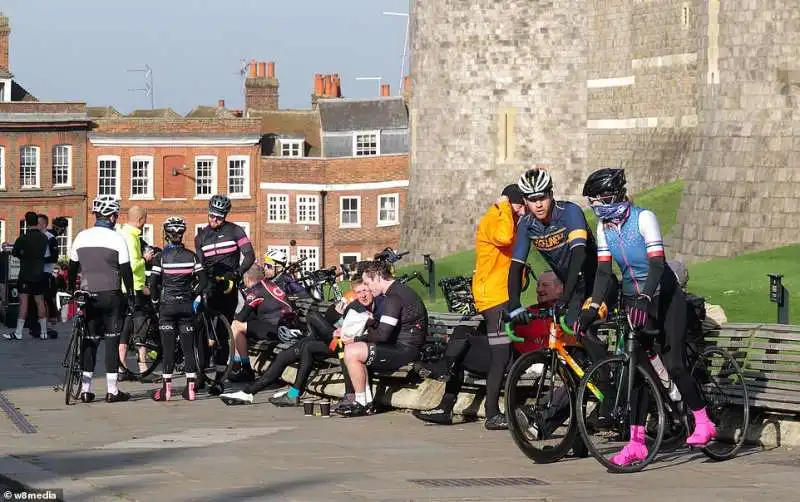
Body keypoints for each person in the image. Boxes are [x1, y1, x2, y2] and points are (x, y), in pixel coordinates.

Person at [577, 168, 717, 466]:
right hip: (634, 301)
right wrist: (590, 309)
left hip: (664, 298)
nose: (596, 207)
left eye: (598, 200)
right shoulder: (604, 229)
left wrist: (645, 296)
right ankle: (636, 443)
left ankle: (704, 422)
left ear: (613, 195)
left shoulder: (643, 218)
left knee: (675, 365)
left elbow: (657, 264)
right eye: (593, 202)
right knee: (637, 372)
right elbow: (604, 273)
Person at [508, 168, 614, 411]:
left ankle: (609, 392)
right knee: (571, 355)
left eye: (542, 197)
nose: (538, 205)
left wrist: (564, 299)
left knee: (581, 328)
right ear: (525, 200)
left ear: (551, 194)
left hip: (597, 283)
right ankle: (574, 419)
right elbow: (516, 267)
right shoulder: (526, 224)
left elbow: (579, 254)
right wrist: (513, 303)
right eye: (532, 199)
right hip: (573, 290)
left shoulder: (570, 213)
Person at [414, 270, 563, 425]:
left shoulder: (559, 315)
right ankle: (446, 396)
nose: (539, 289)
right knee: (460, 343)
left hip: (517, 359)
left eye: (545, 285)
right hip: (501, 354)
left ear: (560, 289)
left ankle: (446, 395)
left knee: (459, 346)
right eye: (538, 285)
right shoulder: (528, 311)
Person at [219, 279, 385, 406]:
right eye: (358, 292)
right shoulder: (352, 303)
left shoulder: (378, 306)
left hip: (347, 346)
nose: (363, 295)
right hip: (333, 342)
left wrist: (369, 323)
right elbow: (330, 317)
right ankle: (255, 393)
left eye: (366, 290)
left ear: (372, 290)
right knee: (292, 352)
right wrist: (338, 308)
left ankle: (285, 394)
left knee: (312, 317)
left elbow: (378, 331)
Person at [338, 260, 428, 417]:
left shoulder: (394, 297)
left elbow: (383, 335)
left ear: (377, 277)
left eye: (368, 282)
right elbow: (387, 329)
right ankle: (366, 402)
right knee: (353, 350)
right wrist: (372, 322)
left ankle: (361, 402)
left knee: (352, 351)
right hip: (404, 346)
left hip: (405, 350)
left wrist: (357, 338)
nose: (368, 288)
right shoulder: (399, 291)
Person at [67, 196, 134, 403]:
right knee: (112, 341)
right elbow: (126, 271)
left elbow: (71, 268)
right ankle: (112, 390)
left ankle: (86, 390)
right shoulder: (117, 238)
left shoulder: (81, 237)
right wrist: (130, 295)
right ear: (112, 217)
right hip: (111, 295)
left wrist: (71, 289)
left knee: (90, 341)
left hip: (88, 296)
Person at [194, 195, 256, 395]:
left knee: (222, 333)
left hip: (228, 285)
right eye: (212, 216)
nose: (214, 220)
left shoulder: (236, 230)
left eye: (219, 217)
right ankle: (201, 373)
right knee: (201, 331)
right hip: (208, 286)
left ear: (225, 215)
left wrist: (237, 273)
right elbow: (199, 264)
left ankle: (220, 378)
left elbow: (250, 255)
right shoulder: (201, 236)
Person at [147, 217, 206, 402]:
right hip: (186, 306)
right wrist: (191, 294)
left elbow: (154, 283)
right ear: (182, 234)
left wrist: (156, 302)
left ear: (166, 235)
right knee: (188, 348)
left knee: (168, 349)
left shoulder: (160, 257)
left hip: (167, 306)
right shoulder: (191, 256)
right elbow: (203, 281)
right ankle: (190, 390)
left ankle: (166, 390)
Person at [226, 264, 295, 383]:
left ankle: (245, 369)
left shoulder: (256, 291)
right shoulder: (268, 284)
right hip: (286, 326)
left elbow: (242, 316)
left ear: (247, 279)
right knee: (239, 327)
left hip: (281, 329)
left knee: (236, 326)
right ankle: (238, 365)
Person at [116, 206, 156, 382]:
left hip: (122, 289)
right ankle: (143, 368)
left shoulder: (120, 233)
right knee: (142, 328)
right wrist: (145, 259)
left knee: (124, 330)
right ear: (140, 220)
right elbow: (131, 265)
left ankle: (121, 368)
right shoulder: (132, 238)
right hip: (135, 289)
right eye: (145, 220)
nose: (145, 223)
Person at [4, 212, 50, 340]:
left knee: (24, 304)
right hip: (40, 273)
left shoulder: (22, 238)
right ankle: (44, 332)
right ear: (36, 222)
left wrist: (23, 255)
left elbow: (15, 252)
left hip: (25, 273)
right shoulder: (44, 238)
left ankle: (18, 332)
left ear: (26, 222)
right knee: (40, 302)